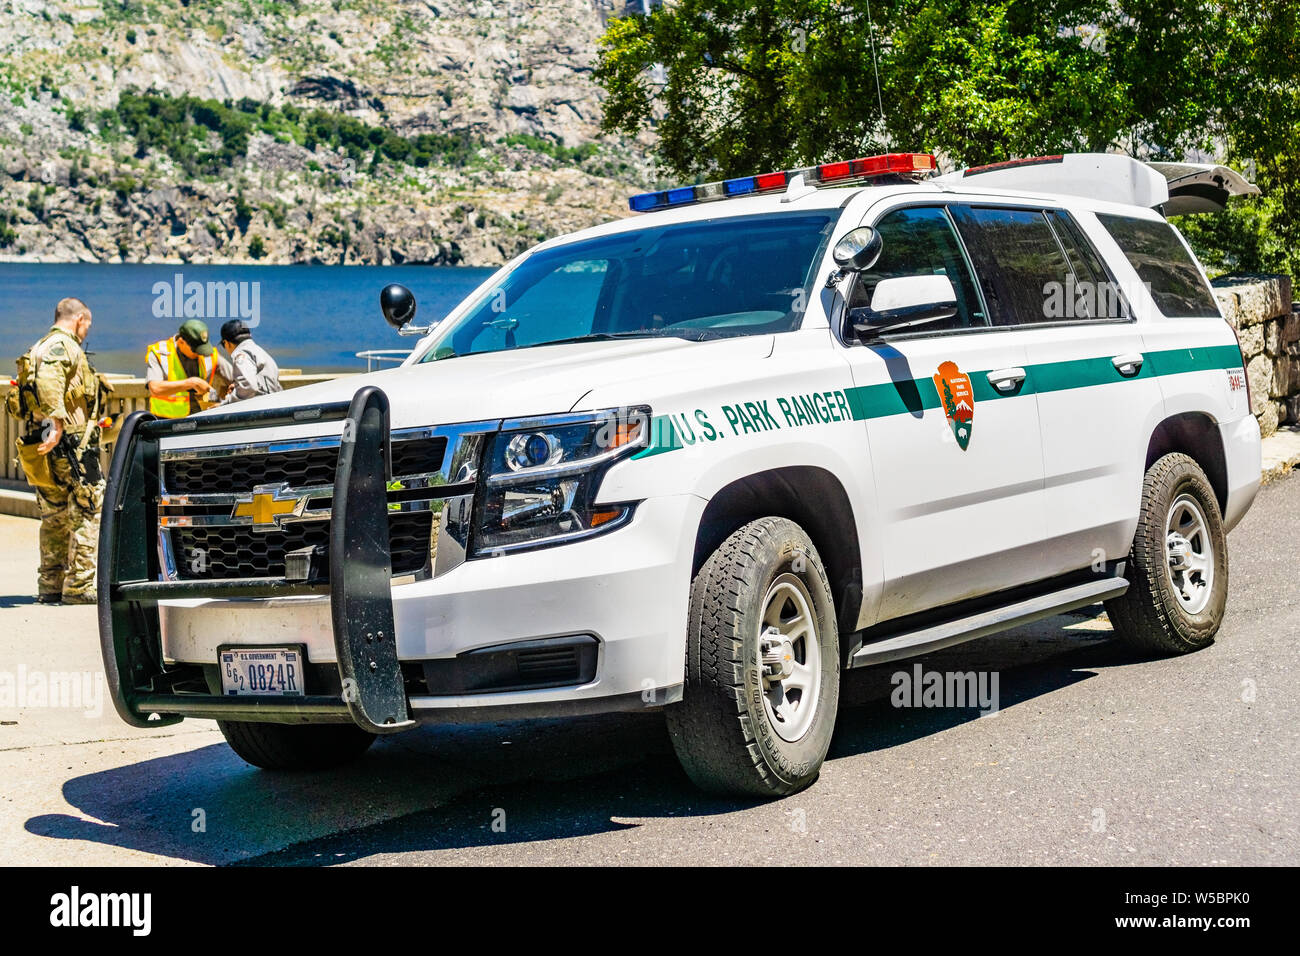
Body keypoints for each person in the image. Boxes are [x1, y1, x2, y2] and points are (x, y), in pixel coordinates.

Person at [6, 298, 109, 605]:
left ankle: (50, 584)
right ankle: (79, 587)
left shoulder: (37, 346)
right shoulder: (62, 346)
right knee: (86, 510)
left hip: (47, 441)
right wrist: (59, 422)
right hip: (72, 442)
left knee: (54, 514)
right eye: (87, 324)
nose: (88, 330)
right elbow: (51, 380)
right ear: (79, 319)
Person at [144, 319, 231, 418]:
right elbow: (155, 388)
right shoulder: (160, 353)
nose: (199, 353)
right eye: (195, 350)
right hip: (164, 421)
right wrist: (191, 383)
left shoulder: (210, 354)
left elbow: (237, 379)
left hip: (201, 418)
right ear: (181, 342)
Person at [218, 319, 281, 404]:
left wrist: (226, 403)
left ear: (226, 343)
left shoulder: (241, 354)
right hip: (275, 403)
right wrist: (237, 387)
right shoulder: (260, 351)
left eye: (223, 345)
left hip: (261, 407)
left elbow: (248, 387)